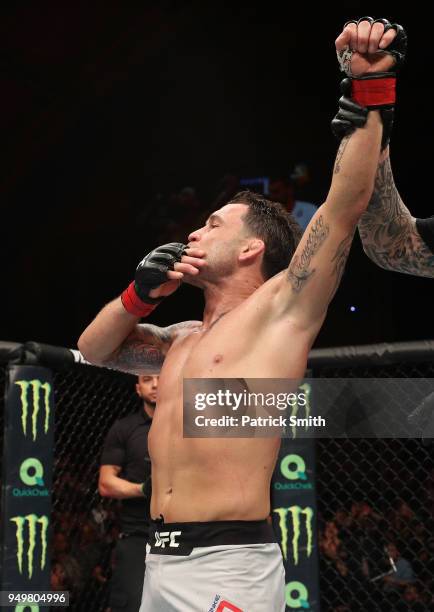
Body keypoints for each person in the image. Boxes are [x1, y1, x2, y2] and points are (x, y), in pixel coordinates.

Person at [78, 18, 403, 612]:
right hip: (159, 555)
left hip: (228, 564)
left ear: (252, 248)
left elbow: (344, 205)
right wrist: (139, 295)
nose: (194, 233)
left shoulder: (281, 312)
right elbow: (94, 349)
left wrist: (369, 83)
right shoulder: (180, 338)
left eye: (212, 225)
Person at [98, 375, 158, 612]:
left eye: (160, 378)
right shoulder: (125, 428)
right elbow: (106, 483)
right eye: (147, 379)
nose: (155, 384)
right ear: (138, 388)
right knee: (133, 604)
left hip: (186, 532)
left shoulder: (189, 424)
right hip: (138, 533)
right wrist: (143, 489)